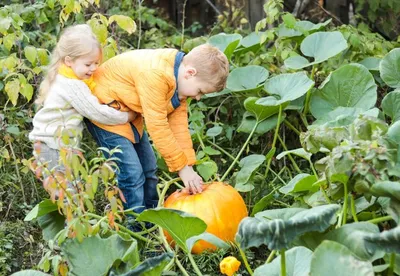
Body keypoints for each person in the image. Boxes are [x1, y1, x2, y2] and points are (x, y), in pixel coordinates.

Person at [84, 44, 230, 216]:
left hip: (128, 111)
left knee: (149, 168)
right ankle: (135, 225)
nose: (198, 97)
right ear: (190, 73)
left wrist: (188, 164)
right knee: (131, 173)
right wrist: (181, 169)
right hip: (106, 111)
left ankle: (152, 216)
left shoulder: (179, 81)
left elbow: (179, 127)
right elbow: (158, 126)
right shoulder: (156, 74)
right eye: (200, 91)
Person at [29, 24, 135, 198]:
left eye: (96, 63)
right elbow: (96, 112)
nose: (93, 69)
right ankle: (70, 225)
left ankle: (72, 223)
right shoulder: (73, 85)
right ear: (69, 60)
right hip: (52, 147)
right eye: (88, 64)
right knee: (68, 195)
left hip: (52, 145)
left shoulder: (65, 75)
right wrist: (127, 116)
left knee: (68, 192)